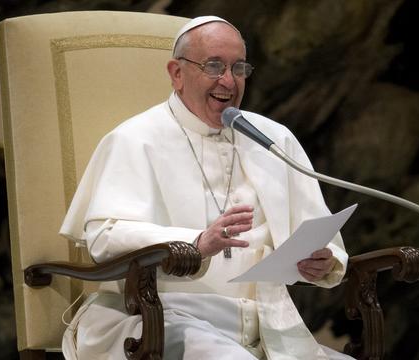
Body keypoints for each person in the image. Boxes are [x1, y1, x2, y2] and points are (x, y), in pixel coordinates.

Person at [59, 15, 353, 360]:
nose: (228, 81)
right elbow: (104, 236)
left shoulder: (274, 139)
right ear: (177, 73)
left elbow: (320, 238)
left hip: (266, 329)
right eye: (214, 66)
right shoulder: (135, 139)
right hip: (152, 320)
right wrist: (195, 242)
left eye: (239, 68)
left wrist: (324, 262)